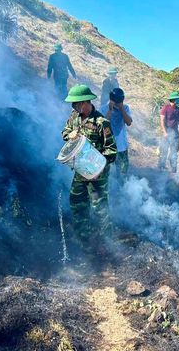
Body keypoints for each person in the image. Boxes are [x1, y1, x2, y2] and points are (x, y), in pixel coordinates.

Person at [61, 85, 117, 243]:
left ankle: (109, 241)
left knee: (100, 209)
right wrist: (69, 135)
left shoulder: (101, 123)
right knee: (77, 202)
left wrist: (99, 166)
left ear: (86, 102)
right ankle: (83, 236)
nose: (74, 107)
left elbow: (112, 151)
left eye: (76, 104)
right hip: (81, 170)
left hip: (98, 173)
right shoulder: (74, 117)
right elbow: (65, 132)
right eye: (73, 104)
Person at [101, 87, 133, 177]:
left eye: (121, 102)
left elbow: (129, 122)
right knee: (110, 173)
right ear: (111, 100)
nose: (119, 104)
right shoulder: (103, 109)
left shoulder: (125, 108)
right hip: (108, 147)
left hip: (122, 147)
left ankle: (122, 188)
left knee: (123, 171)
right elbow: (102, 125)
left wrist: (122, 109)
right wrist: (110, 110)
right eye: (117, 102)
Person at [159, 91, 179, 172]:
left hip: (175, 135)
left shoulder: (178, 110)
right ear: (174, 100)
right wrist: (164, 132)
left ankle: (173, 170)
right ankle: (161, 168)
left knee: (174, 152)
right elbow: (162, 120)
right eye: (178, 99)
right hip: (167, 134)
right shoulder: (165, 108)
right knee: (164, 151)